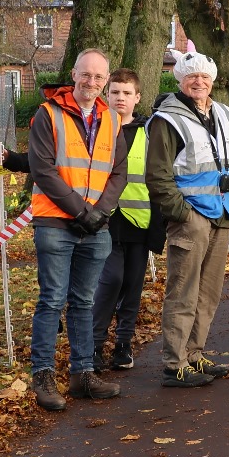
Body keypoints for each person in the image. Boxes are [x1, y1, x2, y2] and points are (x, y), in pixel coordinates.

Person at [27, 48, 128, 411]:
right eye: (86, 75)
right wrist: (81, 211)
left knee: (84, 301)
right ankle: (42, 376)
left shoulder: (112, 119)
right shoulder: (49, 113)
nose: (92, 83)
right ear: (74, 74)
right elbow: (43, 169)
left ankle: (82, 373)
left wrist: (100, 211)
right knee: (53, 299)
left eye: (99, 77)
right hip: (55, 220)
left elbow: (118, 172)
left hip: (95, 223)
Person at [147, 51, 229, 388]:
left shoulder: (222, 113)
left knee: (207, 292)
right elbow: (158, 174)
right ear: (180, 80)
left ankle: (194, 353)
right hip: (190, 216)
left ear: (213, 80)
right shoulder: (167, 119)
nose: (198, 82)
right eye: (191, 76)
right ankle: (174, 363)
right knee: (183, 291)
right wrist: (181, 213)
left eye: (204, 77)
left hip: (222, 214)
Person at [92, 68, 165, 372]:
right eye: (114, 92)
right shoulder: (95, 128)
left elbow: (160, 179)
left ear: (137, 98)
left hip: (139, 222)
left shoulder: (149, 133)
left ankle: (123, 344)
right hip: (103, 221)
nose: (120, 98)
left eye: (126, 93)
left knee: (133, 284)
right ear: (106, 95)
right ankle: (94, 344)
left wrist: (158, 229)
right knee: (110, 281)